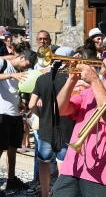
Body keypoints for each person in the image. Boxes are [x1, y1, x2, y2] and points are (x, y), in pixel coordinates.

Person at [50, 44, 106, 196]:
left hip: (105, 173)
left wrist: (95, 80)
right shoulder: (89, 91)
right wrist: (71, 80)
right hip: (73, 166)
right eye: (105, 55)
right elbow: (59, 110)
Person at [28, 47, 76, 197]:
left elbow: (31, 105)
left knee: (44, 162)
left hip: (46, 128)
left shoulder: (42, 79)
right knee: (63, 163)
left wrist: (41, 116)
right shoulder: (71, 79)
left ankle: (44, 194)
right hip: (66, 128)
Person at [0, 50, 37, 195]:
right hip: (2, 114)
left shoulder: (18, 71)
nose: (26, 69)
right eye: (26, 65)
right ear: (22, 57)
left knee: (13, 148)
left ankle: (11, 179)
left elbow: (11, 91)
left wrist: (20, 103)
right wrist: (11, 75)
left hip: (14, 114)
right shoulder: (3, 64)